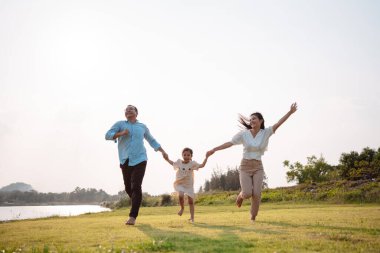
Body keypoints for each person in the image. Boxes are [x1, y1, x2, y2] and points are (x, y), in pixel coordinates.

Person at [206, 103, 298, 223]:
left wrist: (290, 112)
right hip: (245, 166)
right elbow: (230, 143)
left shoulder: (266, 132)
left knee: (257, 193)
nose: (251, 121)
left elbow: (279, 123)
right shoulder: (244, 134)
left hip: (258, 166)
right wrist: (214, 149)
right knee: (248, 193)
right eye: (250, 119)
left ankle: (253, 217)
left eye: (254, 118)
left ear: (261, 121)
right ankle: (241, 196)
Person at [105, 105, 168, 225]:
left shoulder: (142, 127)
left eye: (131, 109)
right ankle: (136, 201)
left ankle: (132, 217)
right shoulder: (120, 124)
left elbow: (152, 140)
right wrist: (121, 133)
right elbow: (107, 135)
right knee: (128, 188)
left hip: (140, 159)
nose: (128, 110)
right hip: (125, 160)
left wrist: (162, 151)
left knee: (136, 186)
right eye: (126, 110)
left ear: (136, 113)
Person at [164, 147, 208, 223]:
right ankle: (182, 208)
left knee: (191, 201)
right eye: (184, 155)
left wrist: (206, 157)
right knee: (180, 195)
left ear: (191, 156)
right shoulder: (179, 162)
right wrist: (167, 159)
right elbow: (172, 163)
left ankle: (192, 218)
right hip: (180, 183)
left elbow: (202, 165)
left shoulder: (193, 164)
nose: (186, 157)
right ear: (182, 155)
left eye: (188, 155)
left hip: (189, 185)